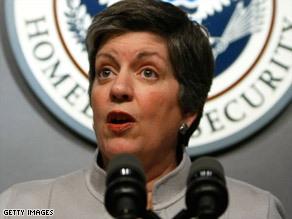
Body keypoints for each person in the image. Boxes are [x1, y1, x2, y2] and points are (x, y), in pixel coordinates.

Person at [0, 0, 287, 218]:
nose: (118, 88)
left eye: (148, 72)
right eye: (106, 71)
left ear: (189, 108)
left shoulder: (254, 211)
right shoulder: (22, 207)